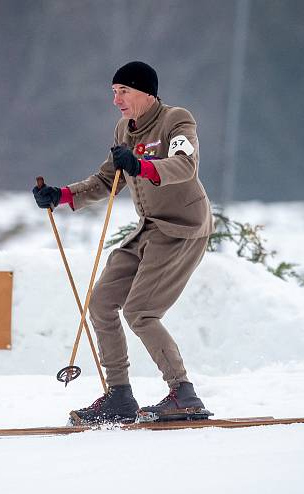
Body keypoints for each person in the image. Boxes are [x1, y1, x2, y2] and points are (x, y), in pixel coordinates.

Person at [33, 61, 214, 423]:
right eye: (114, 92)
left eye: (123, 91)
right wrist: (63, 195)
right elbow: (106, 180)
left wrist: (141, 166)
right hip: (149, 228)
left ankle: (183, 393)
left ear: (147, 92)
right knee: (100, 303)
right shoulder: (124, 129)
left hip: (182, 228)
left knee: (140, 312)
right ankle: (119, 396)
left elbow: (184, 165)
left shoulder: (177, 120)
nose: (116, 99)